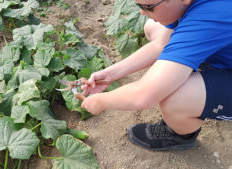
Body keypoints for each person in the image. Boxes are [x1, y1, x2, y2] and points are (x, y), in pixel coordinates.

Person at [81, 0, 232, 151]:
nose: (141, 12)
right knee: (153, 27)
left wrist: (99, 102)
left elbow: (144, 96)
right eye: (138, 5)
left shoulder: (210, 16)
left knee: (175, 99)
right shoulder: (187, 6)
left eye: (148, 7)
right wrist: (110, 75)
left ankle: (180, 135)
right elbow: (161, 44)